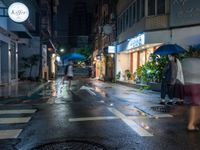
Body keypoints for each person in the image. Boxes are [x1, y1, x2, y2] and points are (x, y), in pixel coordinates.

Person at [182, 58, 200, 131]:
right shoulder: (198, 61)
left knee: (193, 105)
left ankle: (193, 122)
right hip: (196, 85)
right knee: (195, 105)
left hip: (188, 84)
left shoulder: (185, 61)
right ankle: (191, 124)